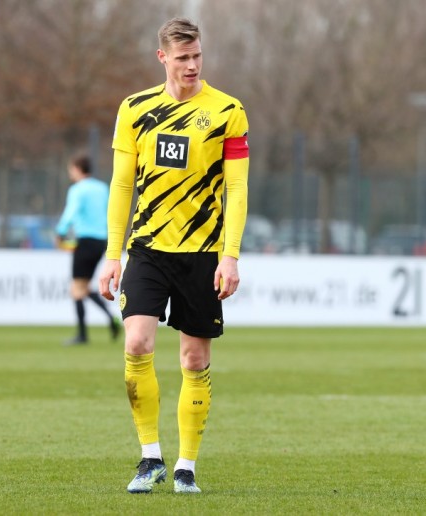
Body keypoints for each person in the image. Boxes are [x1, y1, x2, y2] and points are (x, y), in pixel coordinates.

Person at [99, 17, 249, 494]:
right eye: (183, 57)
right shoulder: (135, 109)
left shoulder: (228, 111)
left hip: (202, 254)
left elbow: (237, 189)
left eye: (197, 55)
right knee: (137, 343)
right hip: (147, 249)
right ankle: (150, 458)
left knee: (194, 358)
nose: (192, 65)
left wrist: (230, 256)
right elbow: (122, 185)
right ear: (162, 57)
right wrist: (113, 253)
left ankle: (186, 466)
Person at [55, 153, 120, 345]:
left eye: (71, 170)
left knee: (77, 288)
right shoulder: (102, 188)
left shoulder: (77, 189)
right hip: (101, 241)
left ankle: (82, 335)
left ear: (77, 169)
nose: (70, 174)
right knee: (82, 287)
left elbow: (71, 212)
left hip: (84, 240)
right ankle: (111, 320)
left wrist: (60, 232)